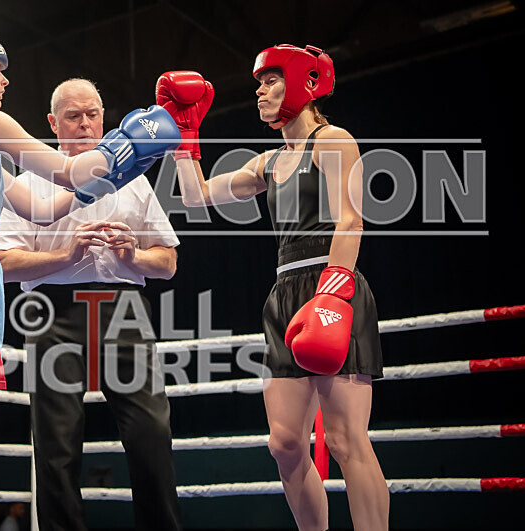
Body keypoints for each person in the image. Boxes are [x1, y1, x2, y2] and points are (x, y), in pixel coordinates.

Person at [0, 34, 180, 531]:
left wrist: (118, 172)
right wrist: (127, 146)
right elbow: (68, 171)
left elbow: (46, 205)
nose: (5, 80)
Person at [161, 46, 389, 530]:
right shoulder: (268, 162)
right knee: (284, 445)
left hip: (332, 283)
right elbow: (195, 196)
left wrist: (333, 291)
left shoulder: (333, 140)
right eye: (258, 83)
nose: (258, 91)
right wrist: (186, 135)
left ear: (303, 83)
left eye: (269, 80)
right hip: (284, 295)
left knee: (348, 440)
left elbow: (352, 219)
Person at [0, 78, 182, 531]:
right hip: (51, 312)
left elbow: (169, 262)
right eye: (73, 116)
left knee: (151, 433)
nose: (84, 125)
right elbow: (2, 264)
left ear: (104, 117)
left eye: (92, 115)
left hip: (123, 308)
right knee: (56, 442)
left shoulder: (134, 180)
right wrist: (66, 256)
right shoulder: (29, 182)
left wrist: (132, 255)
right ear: (52, 123)